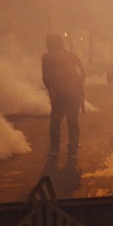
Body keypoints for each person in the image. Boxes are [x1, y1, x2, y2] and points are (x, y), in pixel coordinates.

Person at [41, 33, 85, 167]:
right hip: (74, 94)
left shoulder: (47, 57)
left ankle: (54, 151)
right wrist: (79, 92)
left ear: (50, 44)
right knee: (73, 122)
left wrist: (51, 90)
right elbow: (81, 74)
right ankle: (72, 151)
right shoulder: (73, 56)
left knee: (55, 122)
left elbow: (46, 76)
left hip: (59, 94)